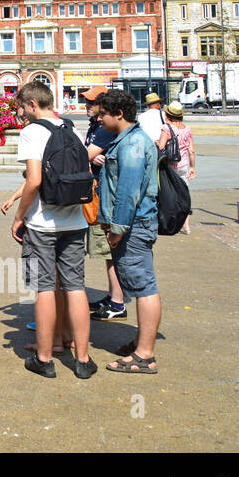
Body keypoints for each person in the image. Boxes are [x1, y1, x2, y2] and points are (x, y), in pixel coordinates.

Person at [6, 82, 95, 379]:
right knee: (75, 287)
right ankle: (82, 359)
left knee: (44, 288)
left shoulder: (32, 132)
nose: (19, 113)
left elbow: (33, 180)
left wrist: (20, 216)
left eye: (20, 107)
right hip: (74, 220)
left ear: (32, 104)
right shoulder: (71, 128)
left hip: (43, 222)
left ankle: (44, 358)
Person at [97, 89, 162, 373]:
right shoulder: (126, 140)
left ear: (118, 114)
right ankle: (141, 342)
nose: (99, 119)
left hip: (134, 226)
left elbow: (128, 191)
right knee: (139, 284)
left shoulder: (133, 143)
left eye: (103, 114)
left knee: (144, 287)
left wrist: (118, 229)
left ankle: (145, 355)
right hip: (133, 225)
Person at [79, 87, 126, 321]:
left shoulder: (105, 129)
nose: (87, 105)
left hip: (103, 195)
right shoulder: (95, 126)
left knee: (109, 250)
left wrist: (90, 156)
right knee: (107, 253)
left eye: (91, 102)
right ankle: (113, 297)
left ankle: (117, 302)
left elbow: (87, 154)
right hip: (98, 191)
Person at [164, 102, 195, 234]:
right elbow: (191, 150)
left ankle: (173, 225)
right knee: (184, 195)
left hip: (170, 167)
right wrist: (192, 167)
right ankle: (186, 226)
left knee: (171, 196)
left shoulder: (166, 129)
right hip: (183, 166)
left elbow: (161, 146)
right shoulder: (187, 129)